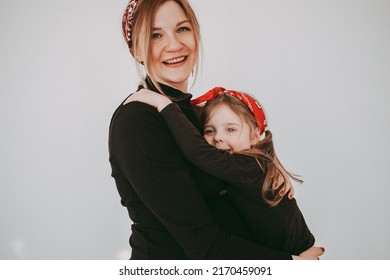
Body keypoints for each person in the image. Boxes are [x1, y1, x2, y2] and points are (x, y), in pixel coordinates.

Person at [109, 0, 324, 259]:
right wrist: (294, 264)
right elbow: (204, 245)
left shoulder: (198, 115)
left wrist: (267, 170)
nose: (175, 44)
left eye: (182, 29)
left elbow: (238, 165)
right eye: (156, 35)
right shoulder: (139, 120)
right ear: (136, 50)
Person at [125, 86, 316, 255]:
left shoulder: (250, 165)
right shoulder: (248, 166)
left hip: (298, 253)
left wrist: (164, 104)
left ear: (255, 135)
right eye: (209, 131)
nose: (218, 138)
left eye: (230, 130)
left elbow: (199, 152)